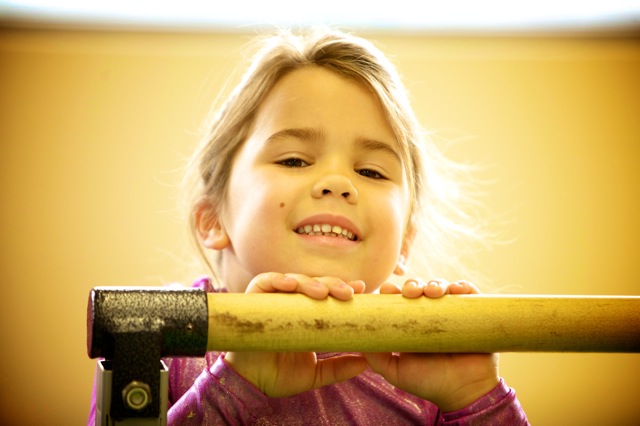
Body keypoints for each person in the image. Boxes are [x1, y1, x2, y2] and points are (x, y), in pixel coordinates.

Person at [89, 27, 529, 424]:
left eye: (372, 172)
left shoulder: (427, 363)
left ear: (404, 243)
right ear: (212, 218)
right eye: (294, 159)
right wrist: (234, 389)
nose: (338, 183)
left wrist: (474, 400)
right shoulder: (156, 334)